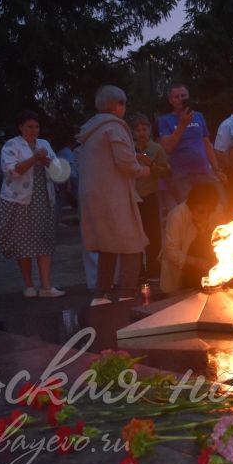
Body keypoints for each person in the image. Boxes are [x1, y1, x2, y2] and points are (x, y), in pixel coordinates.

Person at [77, 85, 152, 306]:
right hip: (114, 198)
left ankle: (101, 295)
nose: (125, 109)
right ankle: (127, 295)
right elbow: (126, 164)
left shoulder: (90, 131)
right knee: (132, 245)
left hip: (94, 197)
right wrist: (146, 169)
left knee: (107, 246)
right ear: (117, 105)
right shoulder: (114, 127)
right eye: (124, 104)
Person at [0, 110, 65, 298]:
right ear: (21, 127)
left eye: (37, 126)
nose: (34, 130)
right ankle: (28, 285)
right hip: (21, 200)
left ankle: (46, 286)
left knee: (44, 241)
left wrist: (46, 160)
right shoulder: (12, 145)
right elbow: (11, 171)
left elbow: (58, 170)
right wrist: (34, 159)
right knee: (23, 243)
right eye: (30, 126)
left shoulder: (44, 144)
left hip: (43, 199)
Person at [158, 83, 224, 216]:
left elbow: (207, 143)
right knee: (189, 213)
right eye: (176, 97)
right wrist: (182, 125)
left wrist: (216, 169)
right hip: (182, 176)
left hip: (204, 172)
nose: (180, 99)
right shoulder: (165, 120)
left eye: (183, 96)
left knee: (215, 208)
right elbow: (168, 147)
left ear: (188, 97)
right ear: (171, 100)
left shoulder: (198, 116)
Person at [159, 182, 219, 294]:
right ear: (191, 207)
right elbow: (171, 252)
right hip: (182, 272)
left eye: (209, 211)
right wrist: (198, 262)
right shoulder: (177, 215)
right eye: (201, 211)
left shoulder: (216, 210)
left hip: (207, 272)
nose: (206, 216)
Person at [131, 113, 170, 279]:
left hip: (150, 196)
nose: (141, 133)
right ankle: (138, 271)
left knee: (153, 234)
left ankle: (154, 269)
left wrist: (151, 165)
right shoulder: (128, 148)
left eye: (144, 129)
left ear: (149, 130)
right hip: (132, 197)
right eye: (138, 130)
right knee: (135, 235)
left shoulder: (156, 149)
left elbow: (167, 170)